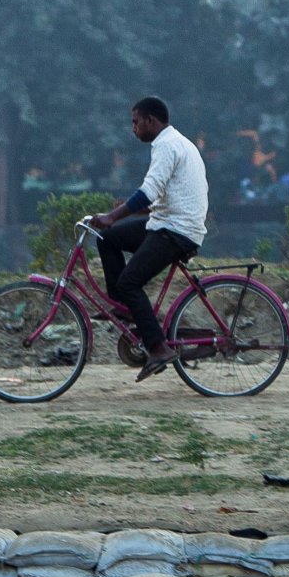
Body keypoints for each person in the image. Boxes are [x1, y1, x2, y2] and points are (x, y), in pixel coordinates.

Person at [91, 96, 210, 382]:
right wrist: (120, 215)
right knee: (107, 239)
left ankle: (158, 348)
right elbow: (168, 194)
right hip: (167, 222)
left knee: (129, 281)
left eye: (135, 122)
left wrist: (113, 215)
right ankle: (127, 309)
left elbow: (150, 189)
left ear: (150, 121)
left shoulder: (167, 146)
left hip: (176, 231)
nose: (133, 128)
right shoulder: (176, 142)